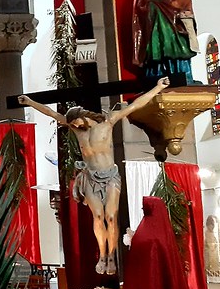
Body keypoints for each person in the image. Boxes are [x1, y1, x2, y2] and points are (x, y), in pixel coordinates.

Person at [18, 77, 170, 275]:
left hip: (110, 177)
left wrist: (158, 88)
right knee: (98, 216)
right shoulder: (76, 129)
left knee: (110, 216)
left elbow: (135, 105)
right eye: (72, 124)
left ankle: (112, 255)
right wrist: (30, 102)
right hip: (89, 177)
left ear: (83, 117)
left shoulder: (107, 123)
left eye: (76, 123)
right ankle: (102, 255)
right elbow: (51, 113)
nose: (75, 126)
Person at [132, 0, 199, 83]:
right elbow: (141, 3)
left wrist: (181, 9)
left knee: (179, 47)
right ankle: (160, 75)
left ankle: (182, 75)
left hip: (175, 21)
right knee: (160, 49)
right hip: (157, 22)